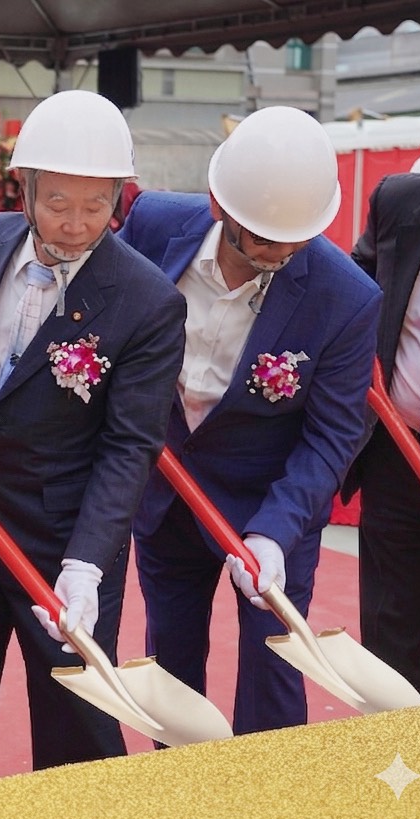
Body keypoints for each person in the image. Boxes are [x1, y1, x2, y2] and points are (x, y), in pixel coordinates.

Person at [0, 90, 187, 784]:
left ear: (120, 200)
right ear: (27, 188)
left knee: (77, 724)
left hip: (62, 544)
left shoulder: (148, 300)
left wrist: (87, 562)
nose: (75, 223)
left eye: (96, 205)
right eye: (58, 202)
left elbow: (132, 444)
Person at [119, 106, 382, 733]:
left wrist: (272, 532)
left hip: (273, 509)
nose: (281, 252)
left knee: (274, 673)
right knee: (171, 670)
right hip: (165, 497)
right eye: (262, 238)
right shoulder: (155, 226)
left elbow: (334, 434)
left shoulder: (346, 297)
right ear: (218, 205)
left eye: (296, 238)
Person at [347, 79, 420, 699]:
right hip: (397, 450)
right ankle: (393, 768)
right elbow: (354, 298)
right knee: (390, 632)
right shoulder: (400, 202)